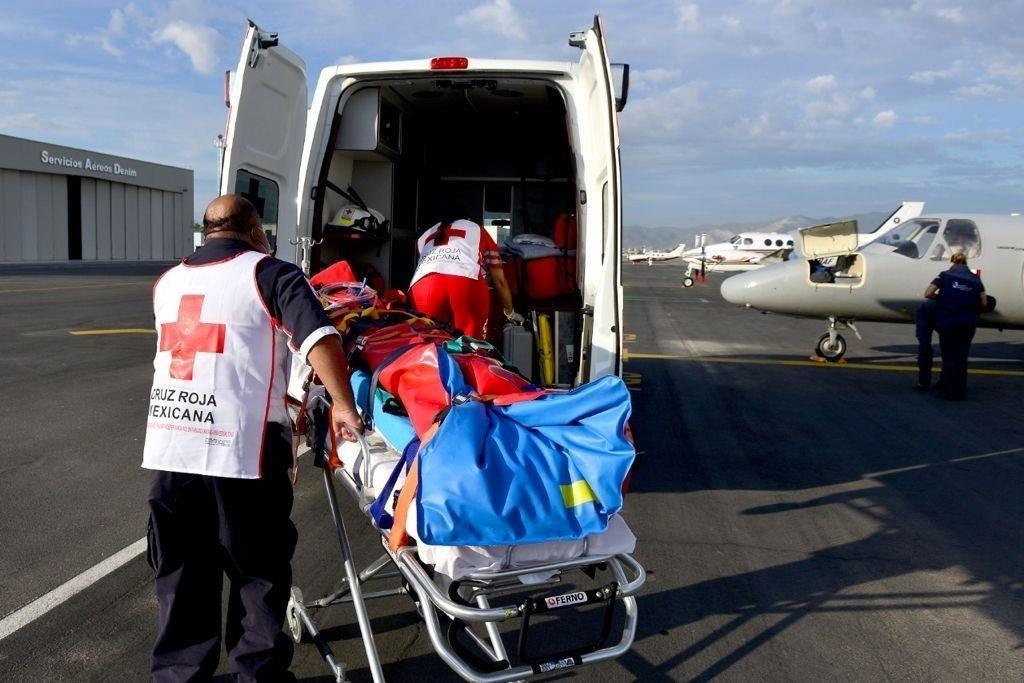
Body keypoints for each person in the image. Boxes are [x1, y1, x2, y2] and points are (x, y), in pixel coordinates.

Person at [143, 195, 363, 681]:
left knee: (181, 573)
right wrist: (344, 406)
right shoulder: (269, 272)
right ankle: (257, 674)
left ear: (205, 233)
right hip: (245, 447)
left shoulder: (168, 282)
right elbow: (319, 338)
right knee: (257, 573)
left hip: (172, 446)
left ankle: (178, 676)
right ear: (255, 230)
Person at [408, 216, 523, 337]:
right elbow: (499, 281)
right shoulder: (476, 229)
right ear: (467, 218)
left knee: (430, 346)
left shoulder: (424, 236)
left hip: (423, 286)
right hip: (464, 281)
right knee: (470, 346)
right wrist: (510, 313)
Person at [924, 251, 987, 400]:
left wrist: (941, 297)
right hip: (967, 323)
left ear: (952, 262)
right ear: (966, 263)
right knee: (962, 357)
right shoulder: (976, 279)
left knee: (949, 356)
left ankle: (949, 391)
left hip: (948, 321)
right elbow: (984, 303)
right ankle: (960, 391)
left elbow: (928, 293)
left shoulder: (945, 275)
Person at [914, 299, 938, 390]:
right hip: (944, 313)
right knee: (951, 351)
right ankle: (948, 383)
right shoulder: (976, 285)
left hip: (926, 311)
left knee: (924, 346)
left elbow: (928, 293)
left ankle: (923, 382)